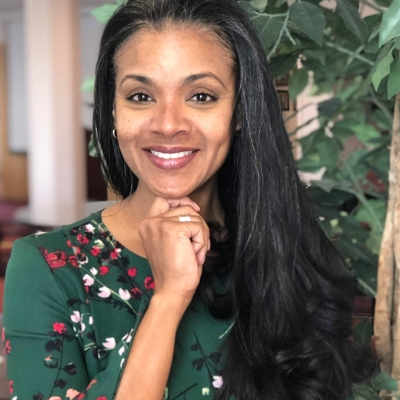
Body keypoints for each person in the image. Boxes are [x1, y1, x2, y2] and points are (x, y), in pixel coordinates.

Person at [3, 0, 376, 399]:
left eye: (201, 96)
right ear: (112, 110)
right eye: (141, 96)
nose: (168, 124)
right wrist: (167, 299)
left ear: (239, 112)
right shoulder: (48, 269)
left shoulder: (289, 249)